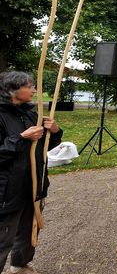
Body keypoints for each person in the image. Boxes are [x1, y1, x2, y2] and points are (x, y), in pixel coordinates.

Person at [0, 71, 62, 274]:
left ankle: (20, 266)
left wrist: (54, 131)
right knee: (4, 236)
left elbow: (45, 147)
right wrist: (21, 137)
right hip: (8, 189)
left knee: (29, 230)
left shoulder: (30, 114)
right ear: (13, 90)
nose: (35, 90)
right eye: (30, 86)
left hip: (34, 184)